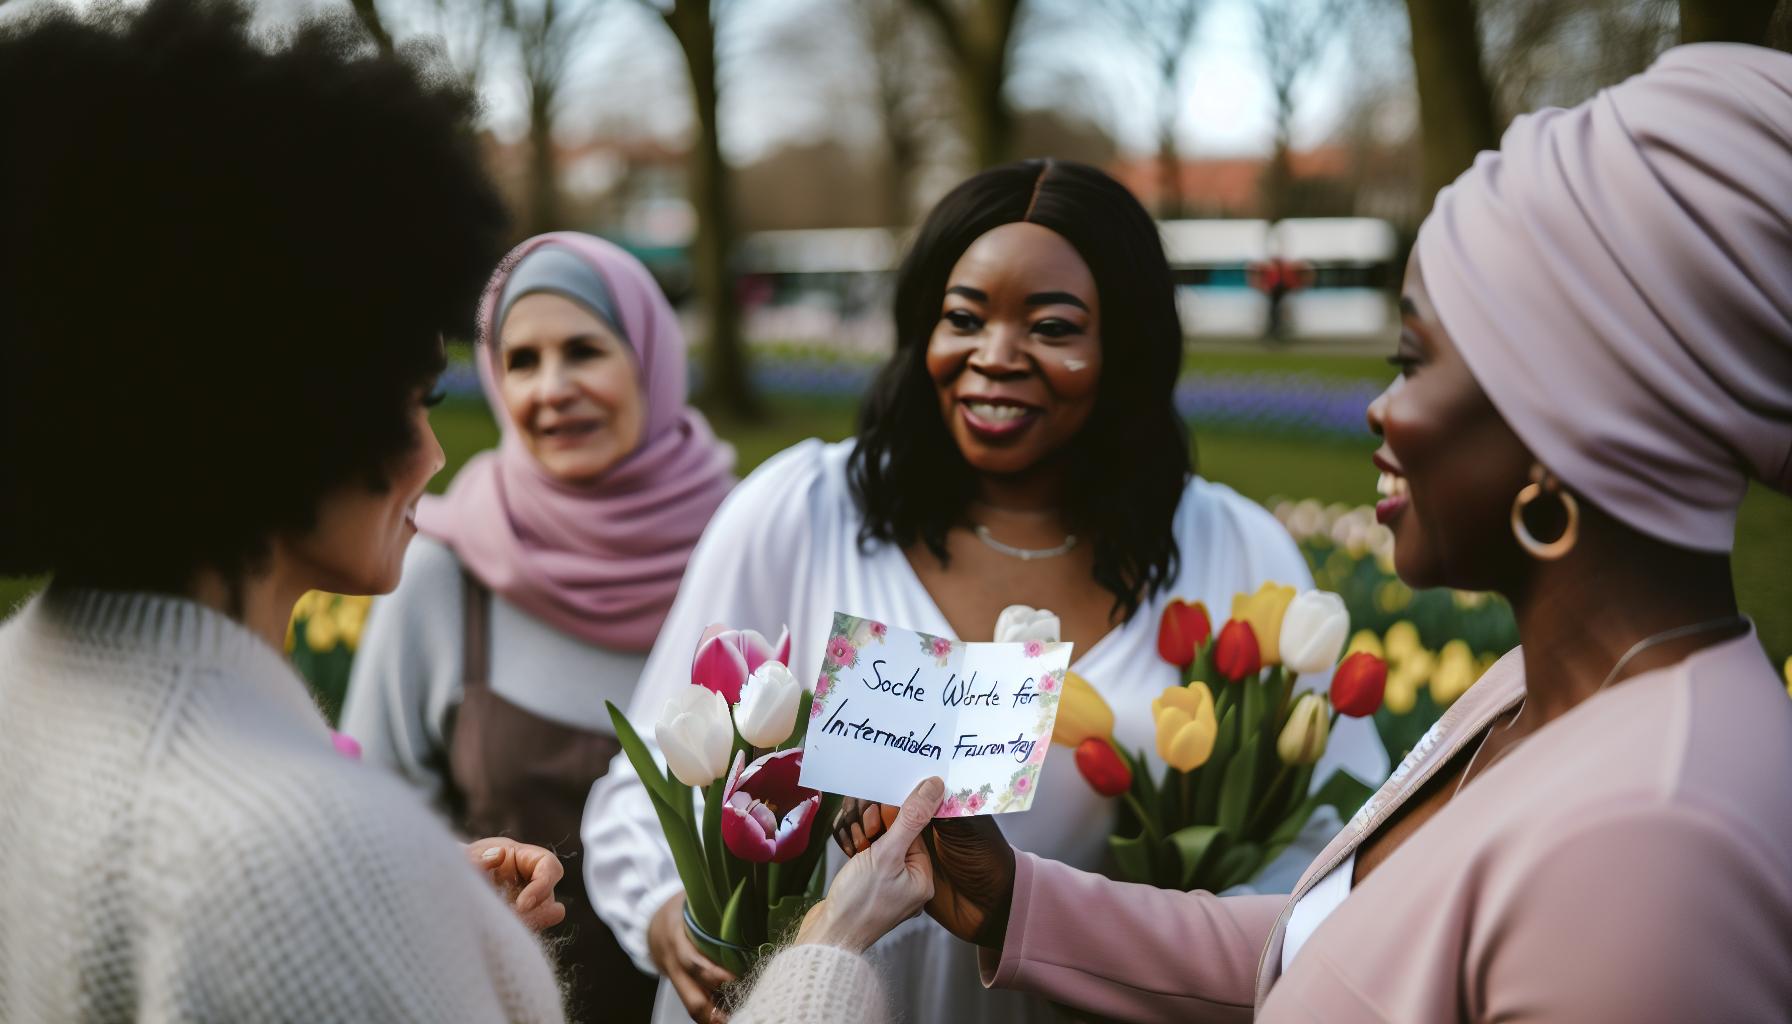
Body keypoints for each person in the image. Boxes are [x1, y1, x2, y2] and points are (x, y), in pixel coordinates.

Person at [823, 43, 1792, 1023]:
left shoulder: (1661, 842)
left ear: (1567, 421)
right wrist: (1014, 902)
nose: (1378, 410)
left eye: (1413, 362)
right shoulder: (1534, 691)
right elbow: (1325, 946)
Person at [581, 159, 1387, 1023]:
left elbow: (1325, 862)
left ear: (1126, 344)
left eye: (1053, 326)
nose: (994, 357)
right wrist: (667, 912)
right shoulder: (798, 514)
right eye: (963, 318)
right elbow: (648, 781)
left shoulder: (1232, 549)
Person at [0, 2, 570, 1019]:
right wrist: (826, 954)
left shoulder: (25, 680)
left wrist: (422, 928)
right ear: (290, 414)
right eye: (414, 401)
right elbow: (262, 884)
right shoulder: (296, 859)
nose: (436, 451)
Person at [341, 231, 735, 1021]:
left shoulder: (740, 551)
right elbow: (361, 834)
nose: (551, 389)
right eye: (521, 361)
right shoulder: (445, 573)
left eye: (584, 350)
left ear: (651, 359)